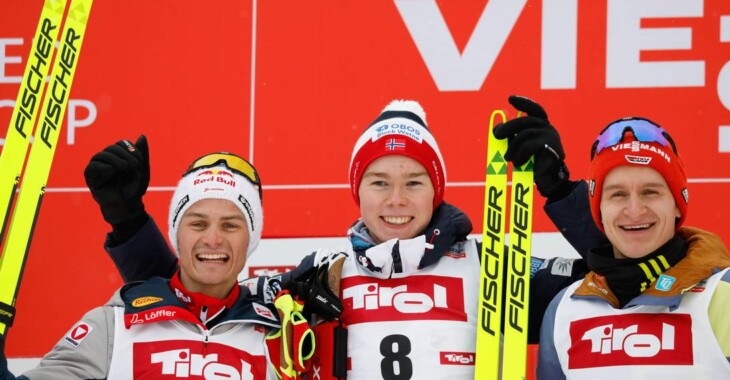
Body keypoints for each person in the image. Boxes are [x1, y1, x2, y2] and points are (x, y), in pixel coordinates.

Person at [83, 97, 604, 378]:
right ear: (358, 193)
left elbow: (613, 281)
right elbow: (192, 292)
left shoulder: (494, 269)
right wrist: (128, 222)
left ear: (436, 191)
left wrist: (561, 191)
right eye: (379, 183)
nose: (396, 200)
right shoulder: (321, 278)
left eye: (413, 182)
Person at [536, 117, 730, 379]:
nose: (635, 210)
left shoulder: (729, 299)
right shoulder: (564, 310)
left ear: (676, 204)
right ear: (599, 211)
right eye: (618, 194)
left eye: (651, 192)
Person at [0, 148, 285, 379]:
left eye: (230, 225)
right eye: (198, 224)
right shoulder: (113, 326)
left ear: (251, 238)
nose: (212, 239)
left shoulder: (276, 341)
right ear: (177, 234)